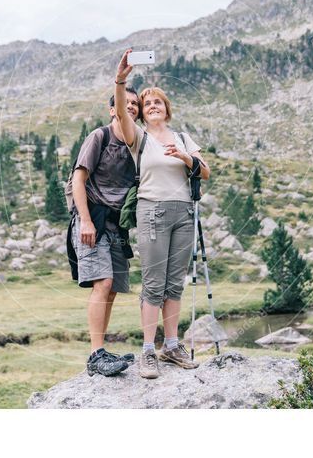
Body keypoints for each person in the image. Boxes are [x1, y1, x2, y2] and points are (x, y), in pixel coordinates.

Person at [114, 48, 211, 379]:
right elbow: (122, 115)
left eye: (158, 102)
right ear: (141, 113)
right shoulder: (138, 137)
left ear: (167, 109)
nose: (152, 106)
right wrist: (121, 77)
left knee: (174, 284)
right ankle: (147, 351)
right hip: (152, 210)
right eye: (147, 103)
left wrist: (186, 158)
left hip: (184, 212)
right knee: (153, 283)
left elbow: (206, 171)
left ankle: (171, 346)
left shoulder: (183, 137)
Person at [70, 86, 142, 376]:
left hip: (116, 224)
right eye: (126, 103)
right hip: (94, 219)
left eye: (136, 104)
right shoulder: (99, 137)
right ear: (113, 109)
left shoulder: (137, 144)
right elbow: (78, 178)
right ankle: (95, 355)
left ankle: (101, 350)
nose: (132, 107)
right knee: (103, 282)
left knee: (111, 289)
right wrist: (85, 220)